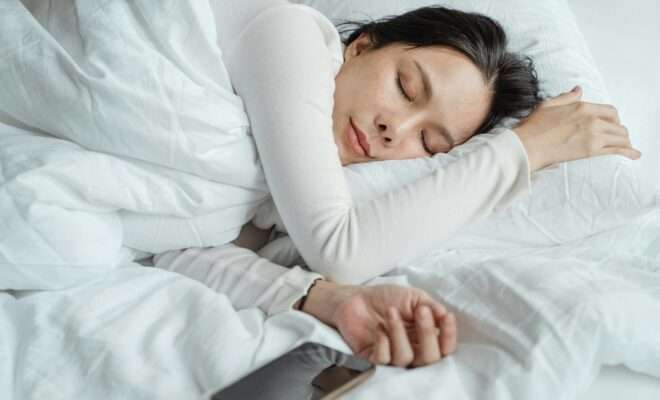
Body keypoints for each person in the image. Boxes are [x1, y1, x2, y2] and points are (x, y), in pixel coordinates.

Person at [157, 0, 641, 375]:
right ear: (362, 46)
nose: (396, 129)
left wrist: (328, 300)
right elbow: (339, 250)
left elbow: (171, 251)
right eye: (406, 88)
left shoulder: (268, 198)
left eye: (429, 142)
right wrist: (523, 150)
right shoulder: (288, 34)